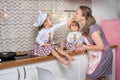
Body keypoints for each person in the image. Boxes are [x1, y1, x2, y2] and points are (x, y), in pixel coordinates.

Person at [74, 6, 113, 80]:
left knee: (89, 78)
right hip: (97, 56)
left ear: (83, 17)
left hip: (103, 55)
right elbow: (91, 41)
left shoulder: (92, 28)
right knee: (101, 77)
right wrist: (83, 45)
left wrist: (85, 47)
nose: (75, 15)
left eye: (77, 13)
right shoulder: (86, 27)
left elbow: (101, 46)